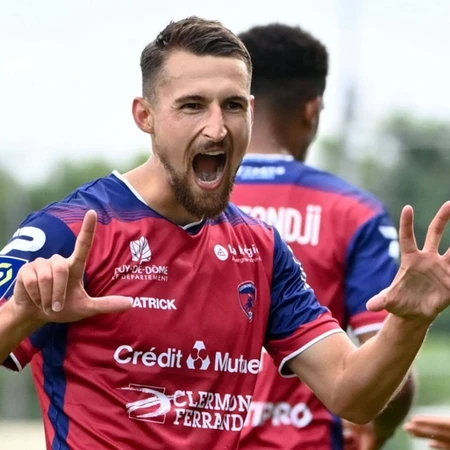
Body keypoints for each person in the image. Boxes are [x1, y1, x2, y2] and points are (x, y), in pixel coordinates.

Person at [0, 16, 449, 450]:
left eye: (232, 106)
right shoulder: (72, 230)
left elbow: (352, 394)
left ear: (251, 112)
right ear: (145, 115)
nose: (217, 129)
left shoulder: (261, 249)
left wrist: (411, 321)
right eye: (192, 105)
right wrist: (23, 312)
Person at [232, 23, 416, 449]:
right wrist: (379, 428)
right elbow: (390, 369)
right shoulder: (354, 212)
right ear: (311, 111)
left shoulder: (182, 204)